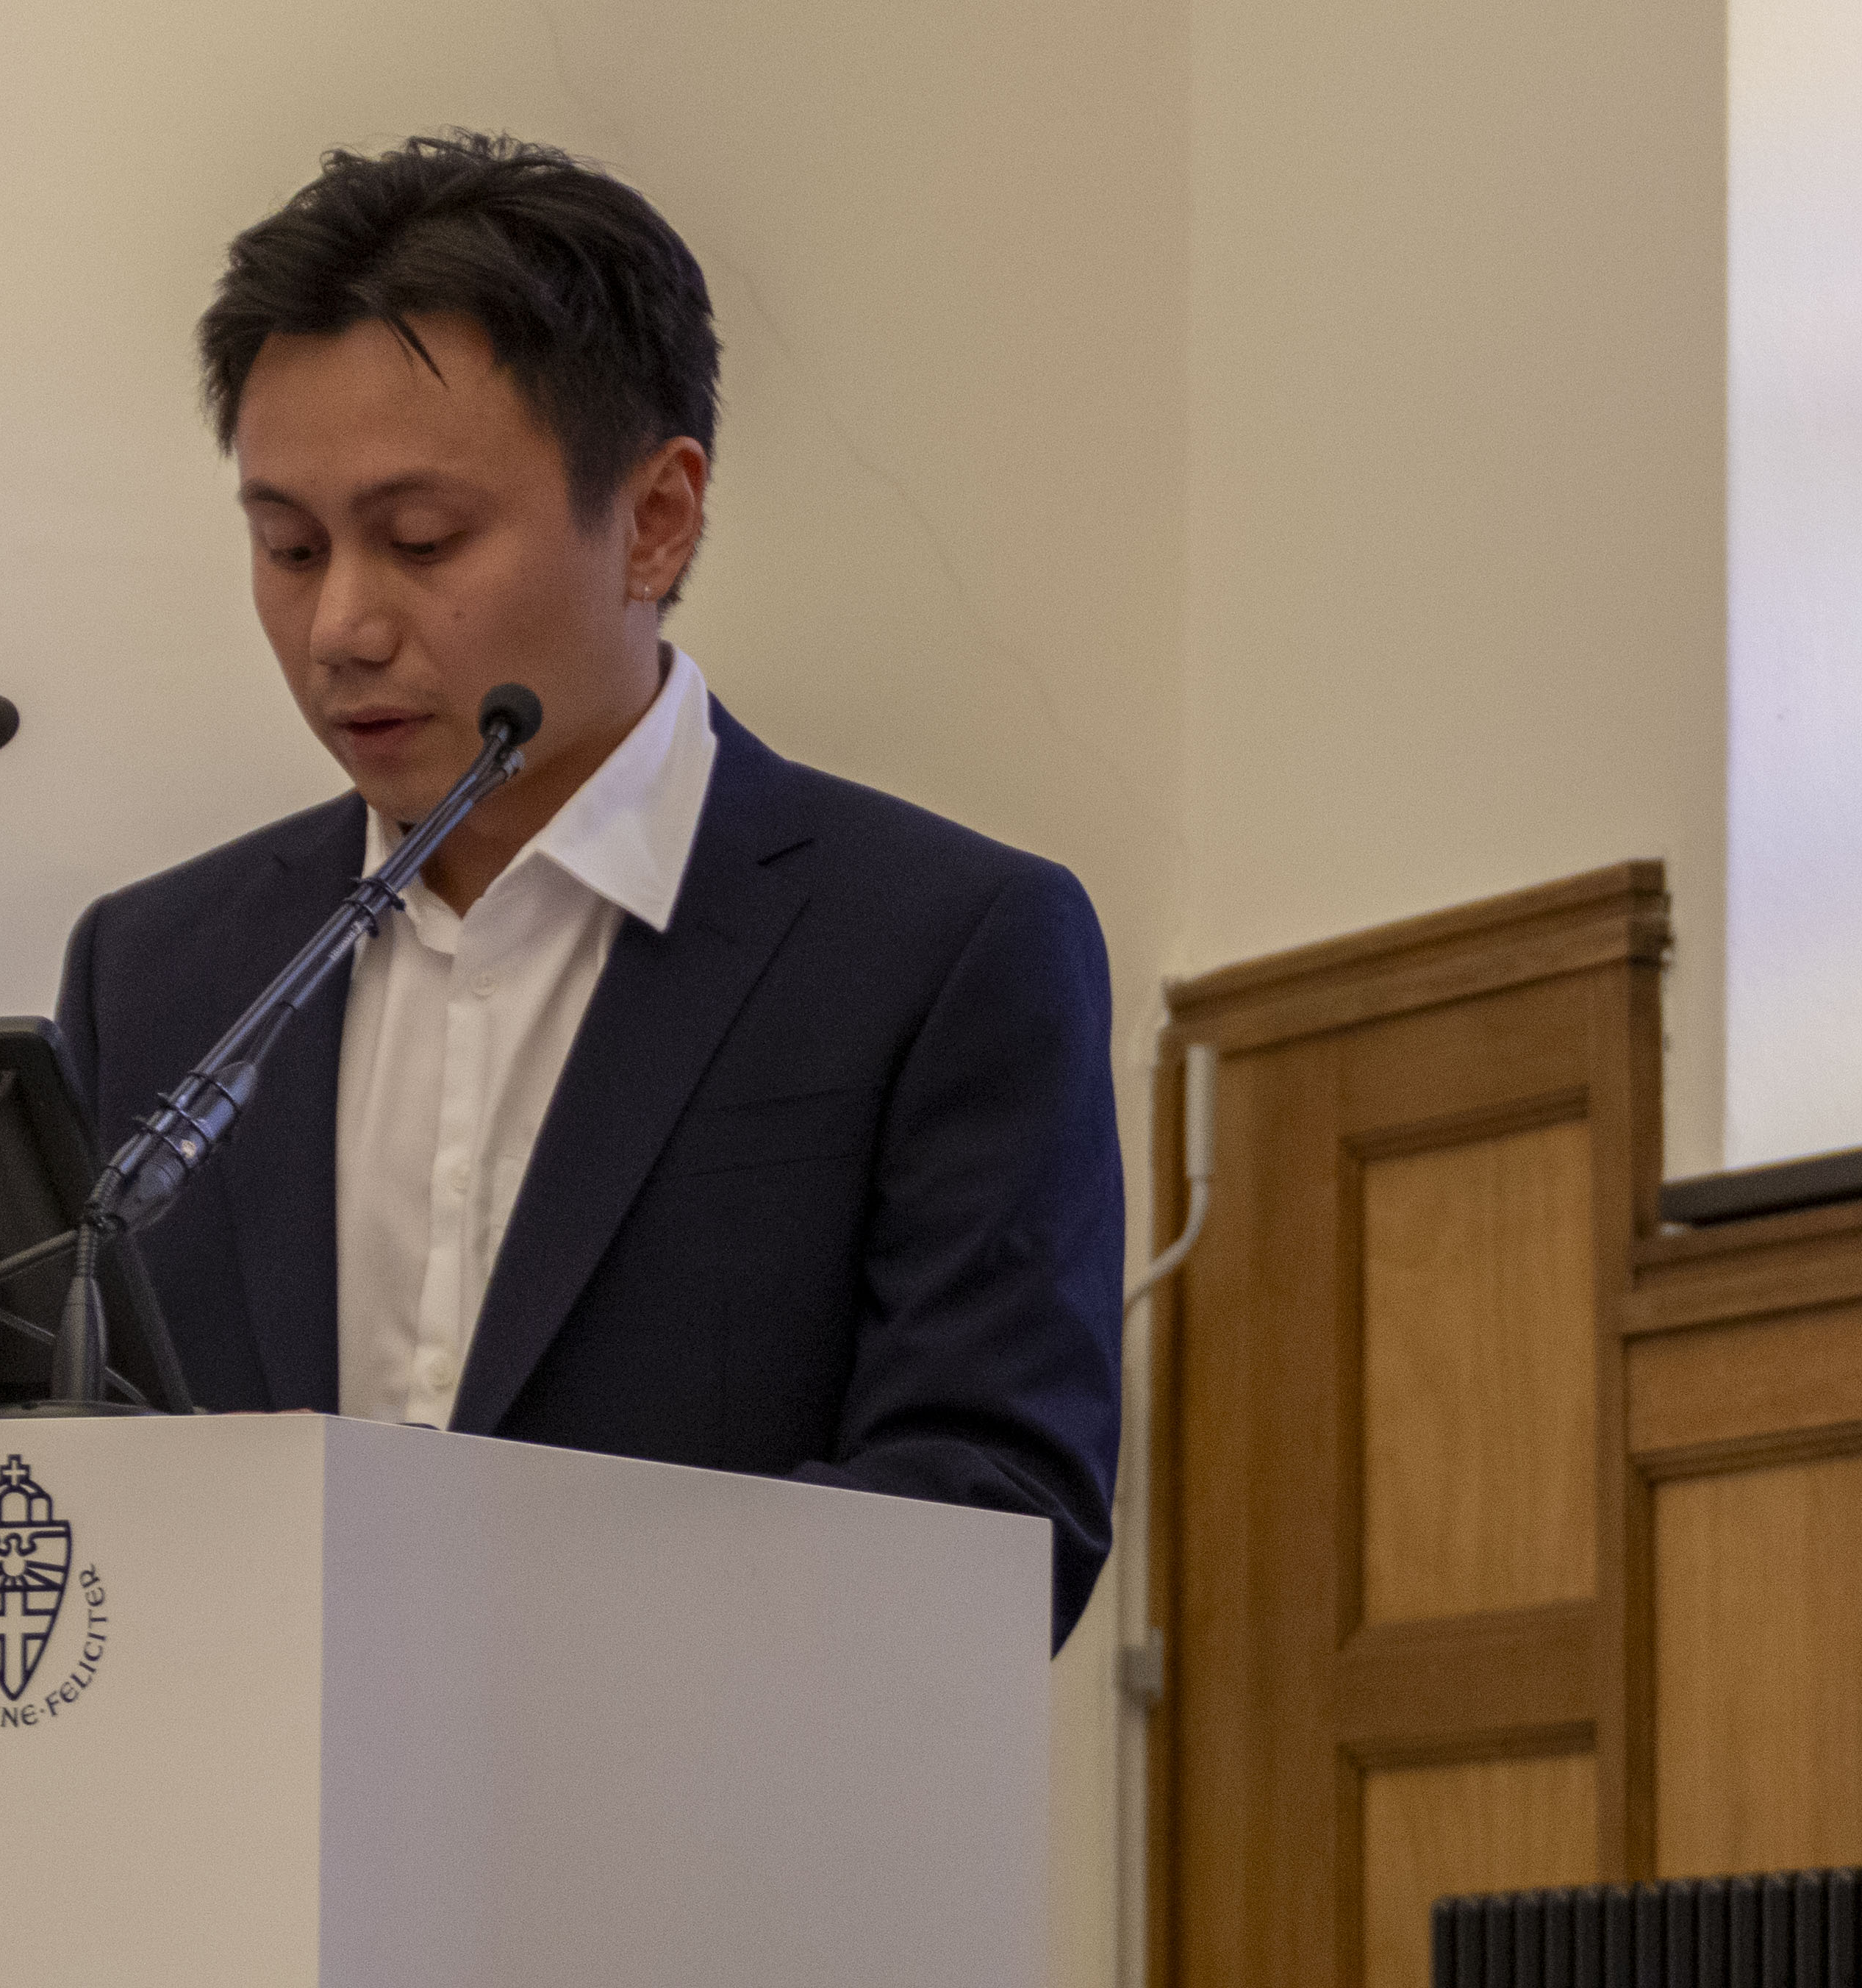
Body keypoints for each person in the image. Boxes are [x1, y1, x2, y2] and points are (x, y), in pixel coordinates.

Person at [54, 132, 1122, 1643]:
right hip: (230, 1793)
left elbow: (991, 1524)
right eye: (289, 547)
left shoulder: (935, 947)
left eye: (422, 540)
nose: (342, 625)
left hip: (711, 1788)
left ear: (657, 519)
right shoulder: (159, 969)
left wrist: (505, 1650)